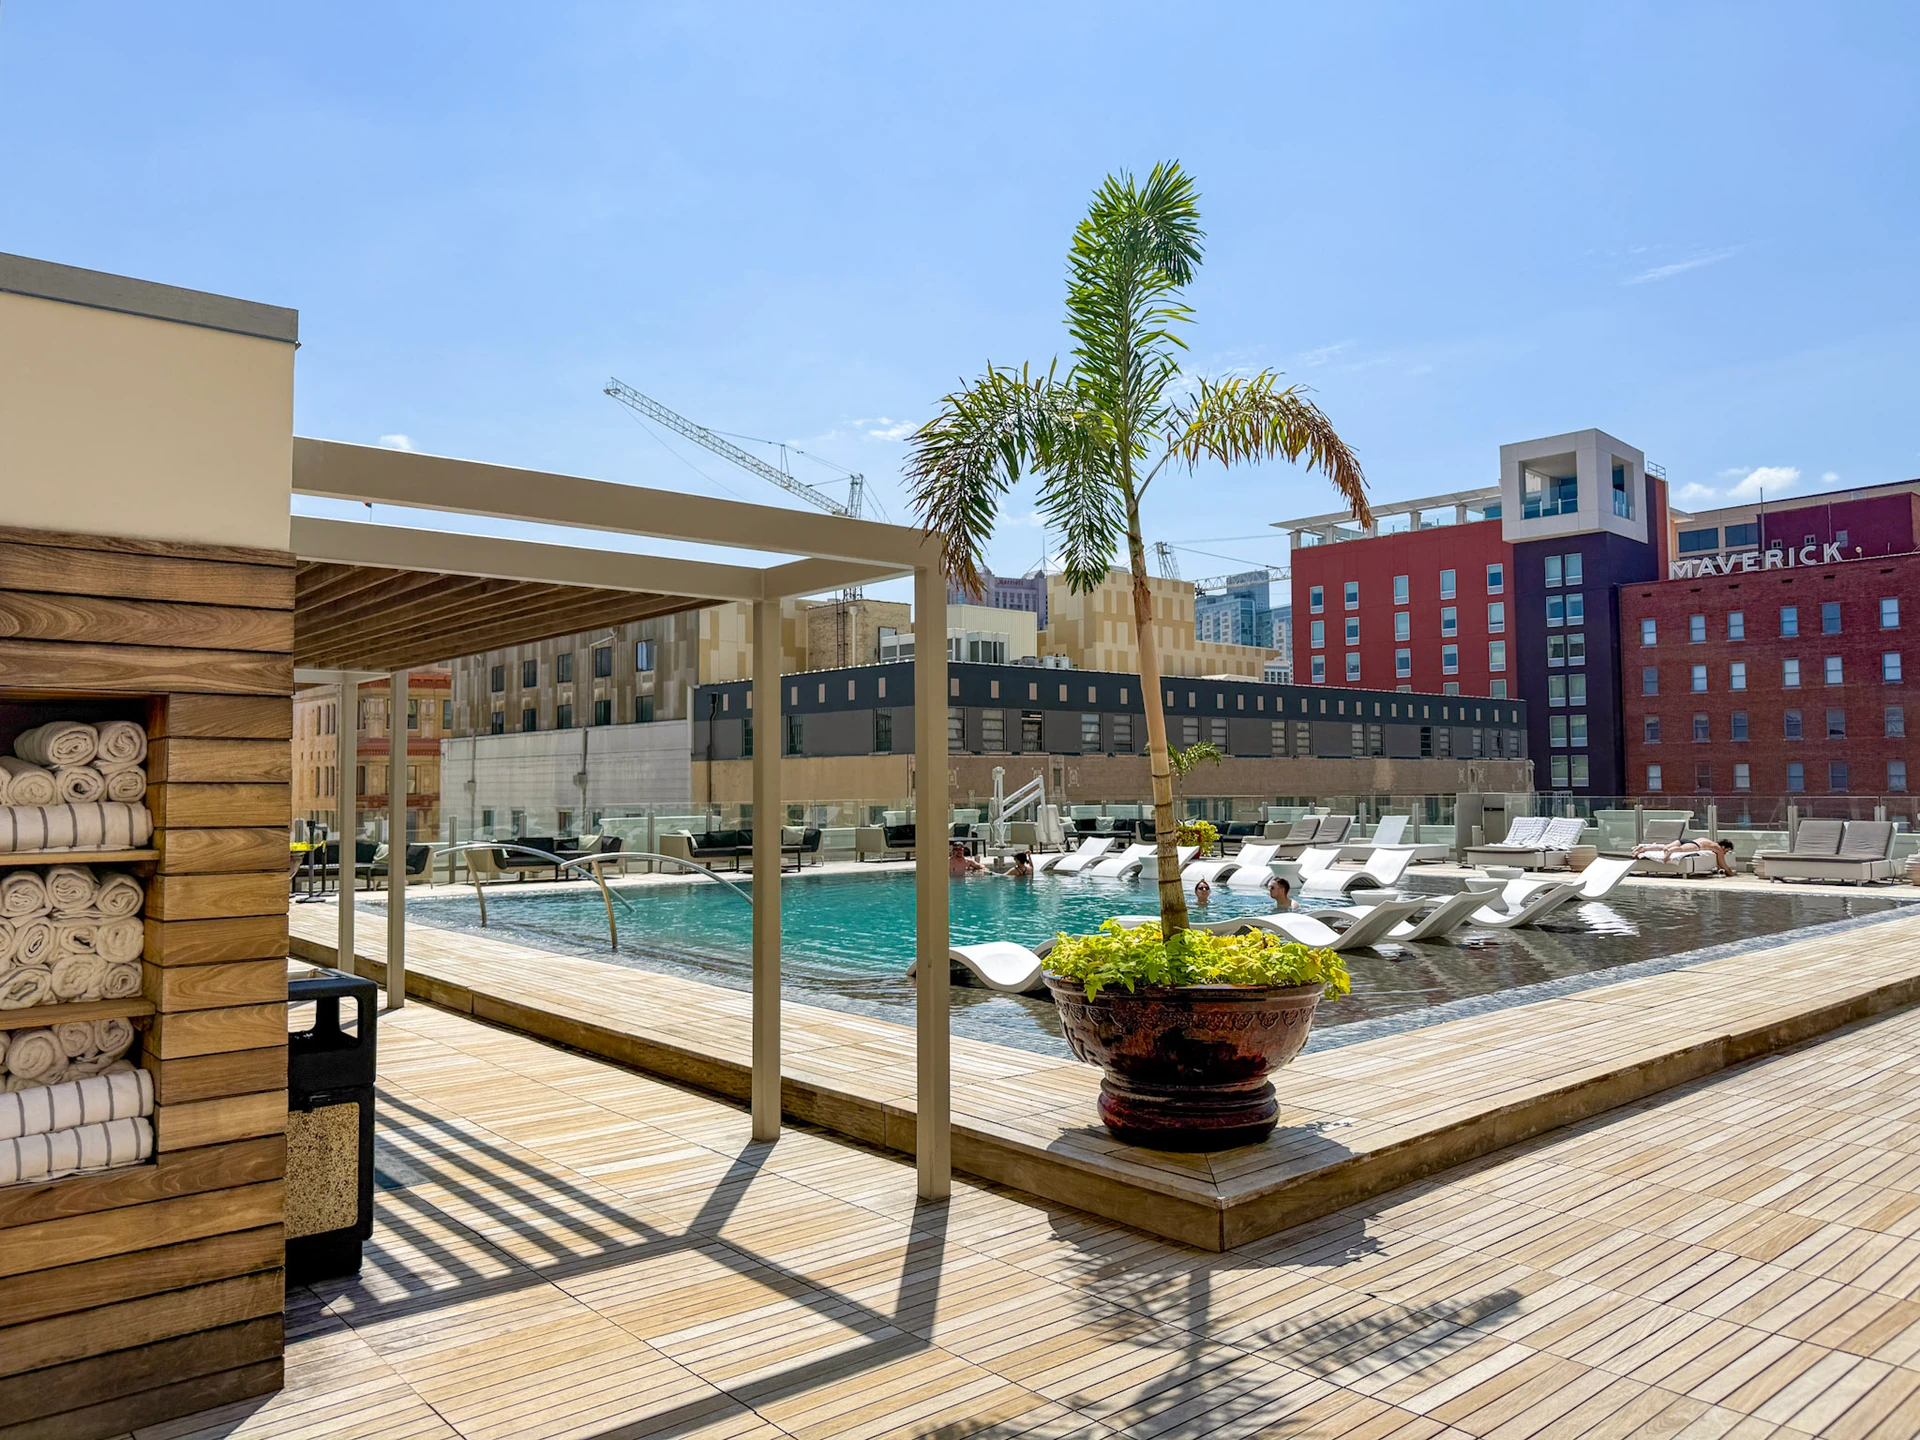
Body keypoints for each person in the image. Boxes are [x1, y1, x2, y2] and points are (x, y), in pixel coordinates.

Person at [1632, 835, 1736, 876]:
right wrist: (1730, 872)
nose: (1725, 853)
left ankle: (1645, 848)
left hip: (1686, 840)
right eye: (1727, 851)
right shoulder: (1718, 848)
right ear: (1723, 847)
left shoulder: (1708, 841)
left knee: (1664, 847)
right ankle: (1669, 853)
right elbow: (1722, 862)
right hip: (1694, 845)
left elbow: (1718, 864)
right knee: (1680, 850)